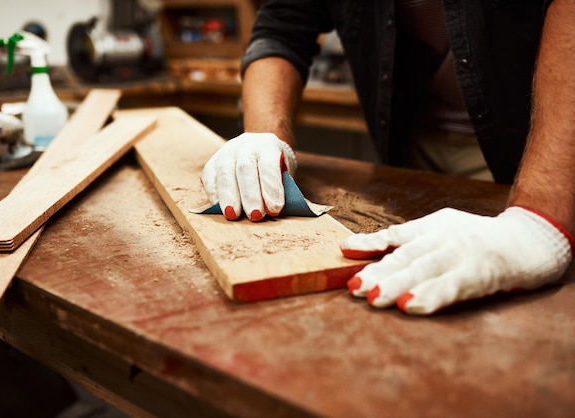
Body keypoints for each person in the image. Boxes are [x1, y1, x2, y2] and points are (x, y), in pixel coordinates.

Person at [200, 0, 575, 315]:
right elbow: (282, 28)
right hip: (412, 150)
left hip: (550, 152)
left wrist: (540, 220)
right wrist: (265, 137)